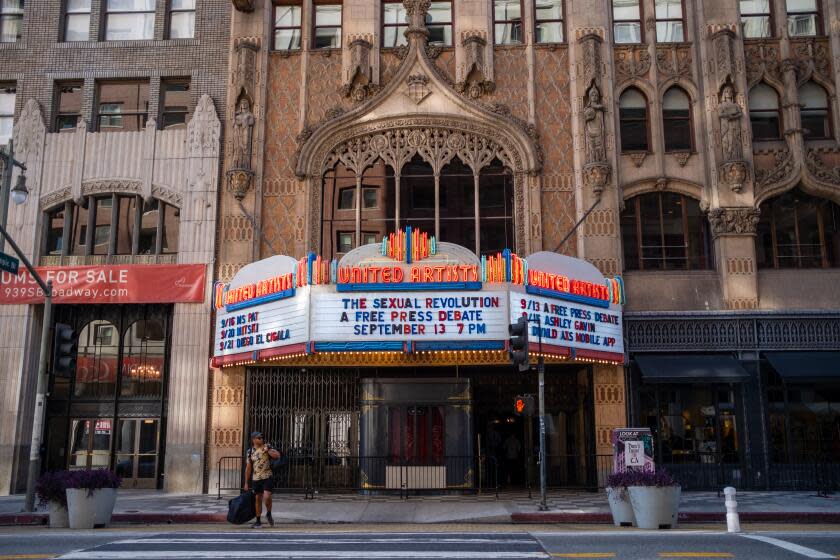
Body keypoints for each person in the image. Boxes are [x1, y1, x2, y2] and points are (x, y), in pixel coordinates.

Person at [244, 431, 280, 528]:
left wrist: (268, 450)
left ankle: (268, 513)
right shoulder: (250, 452)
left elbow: (277, 456)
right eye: (259, 438)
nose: (261, 439)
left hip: (267, 476)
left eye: (262, 438)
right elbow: (248, 468)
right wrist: (246, 483)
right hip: (256, 478)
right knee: (257, 499)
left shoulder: (267, 446)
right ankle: (258, 521)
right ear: (254, 439)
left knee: (267, 496)